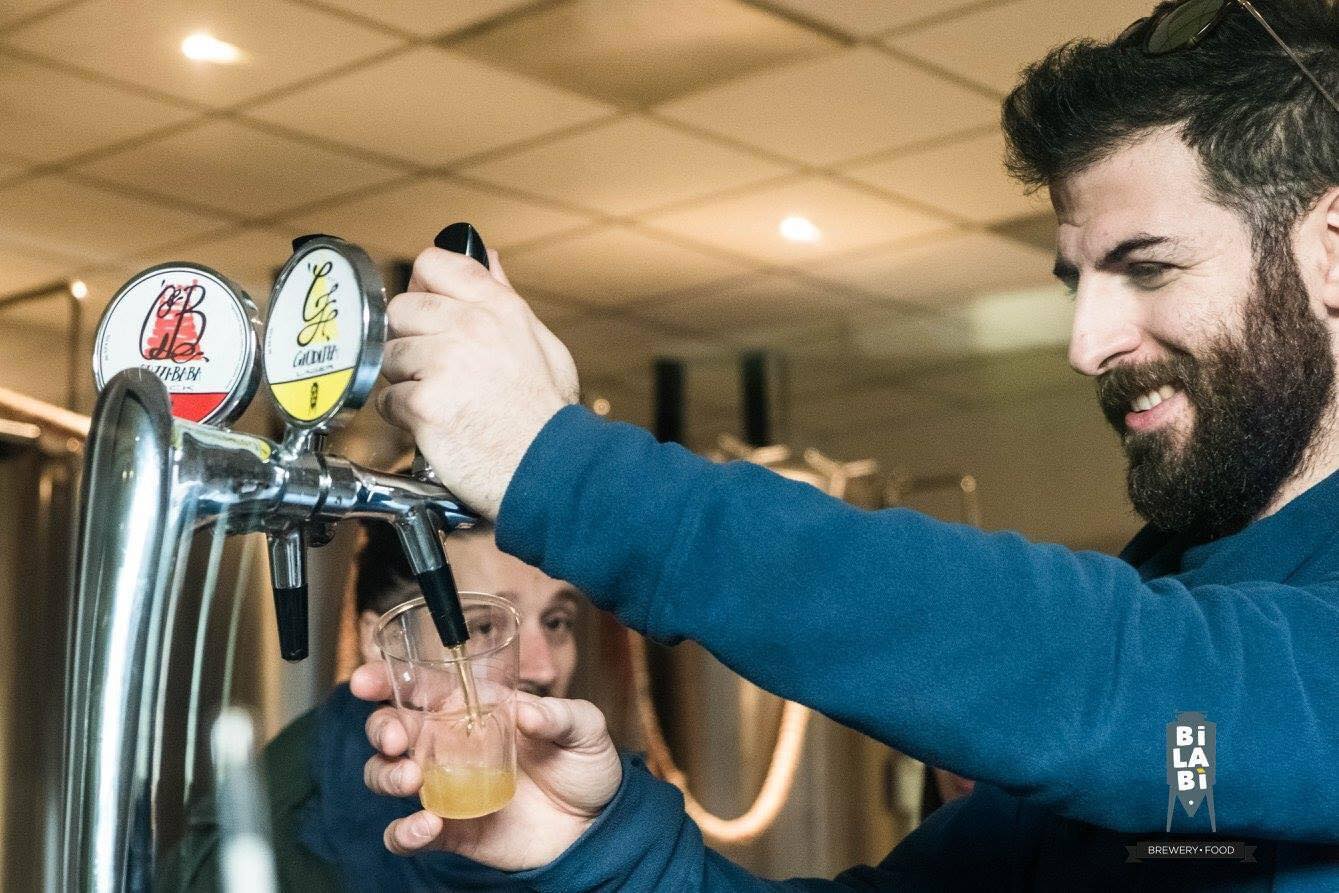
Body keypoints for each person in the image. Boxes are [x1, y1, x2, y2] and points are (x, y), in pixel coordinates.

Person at [355, 0, 1339, 887]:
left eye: (1148, 267)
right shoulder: (1160, 626)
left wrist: (565, 470)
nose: (1087, 345)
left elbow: (1121, 674)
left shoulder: (1155, 674)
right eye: (1077, 284)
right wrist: (596, 851)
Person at [160, 520, 584, 891]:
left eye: (556, 622)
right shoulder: (266, 843)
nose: (543, 668)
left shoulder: (593, 805)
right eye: (483, 626)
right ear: (387, 643)